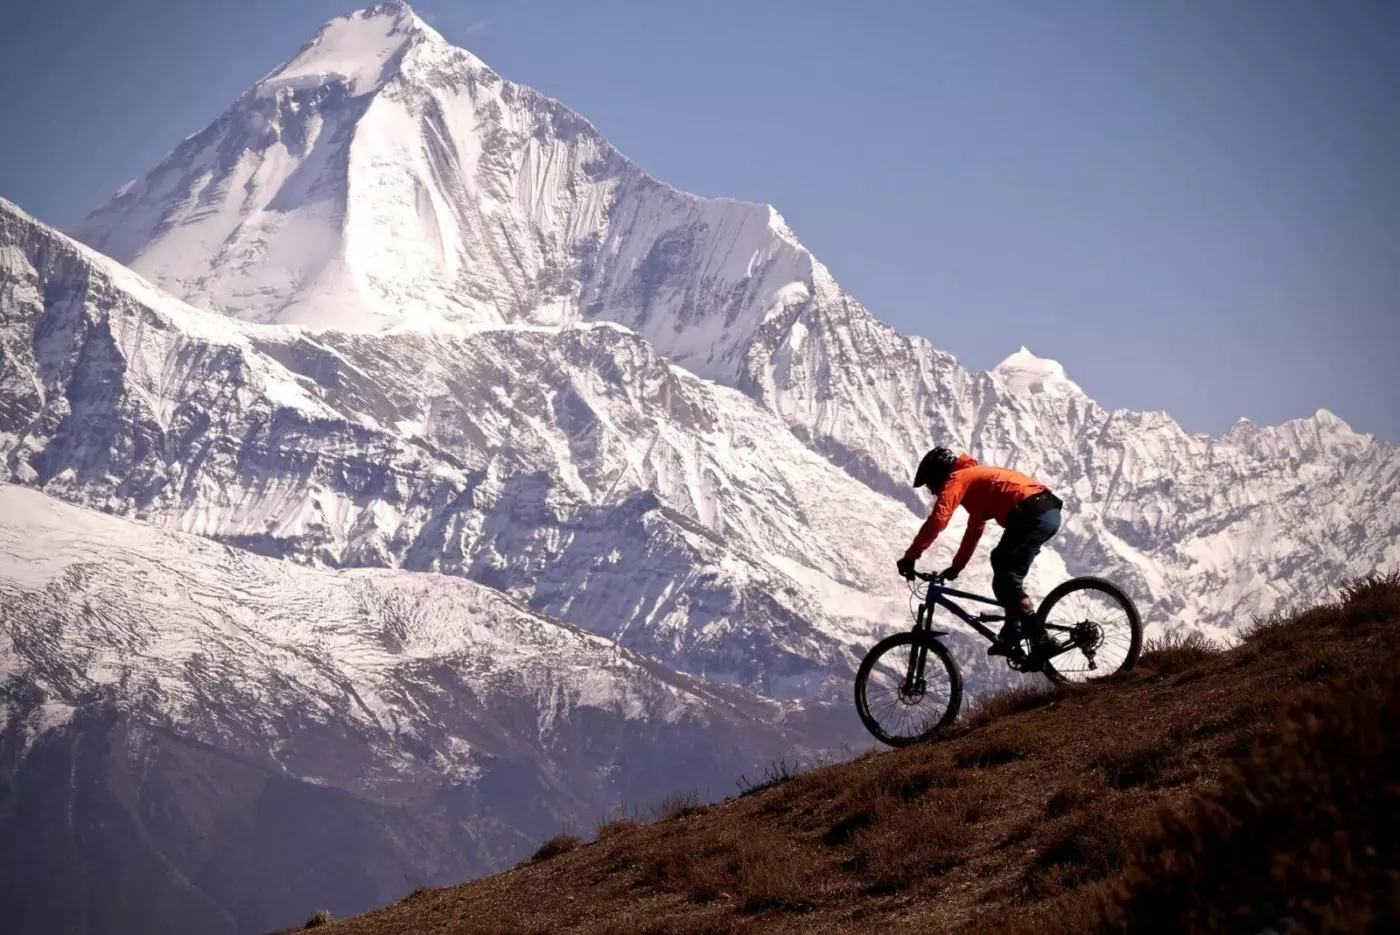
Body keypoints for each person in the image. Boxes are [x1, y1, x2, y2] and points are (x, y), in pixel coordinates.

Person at [895, 447, 1063, 658]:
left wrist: (911, 556)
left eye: (930, 484)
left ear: (940, 475)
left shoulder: (958, 478)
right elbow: (974, 531)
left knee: (1006, 580)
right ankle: (1012, 632)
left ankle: (1042, 639)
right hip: (1045, 512)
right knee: (1000, 562)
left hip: (1032, 514)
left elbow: (938, 520)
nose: (932, 492)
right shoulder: (975, 484)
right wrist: (957, 567)